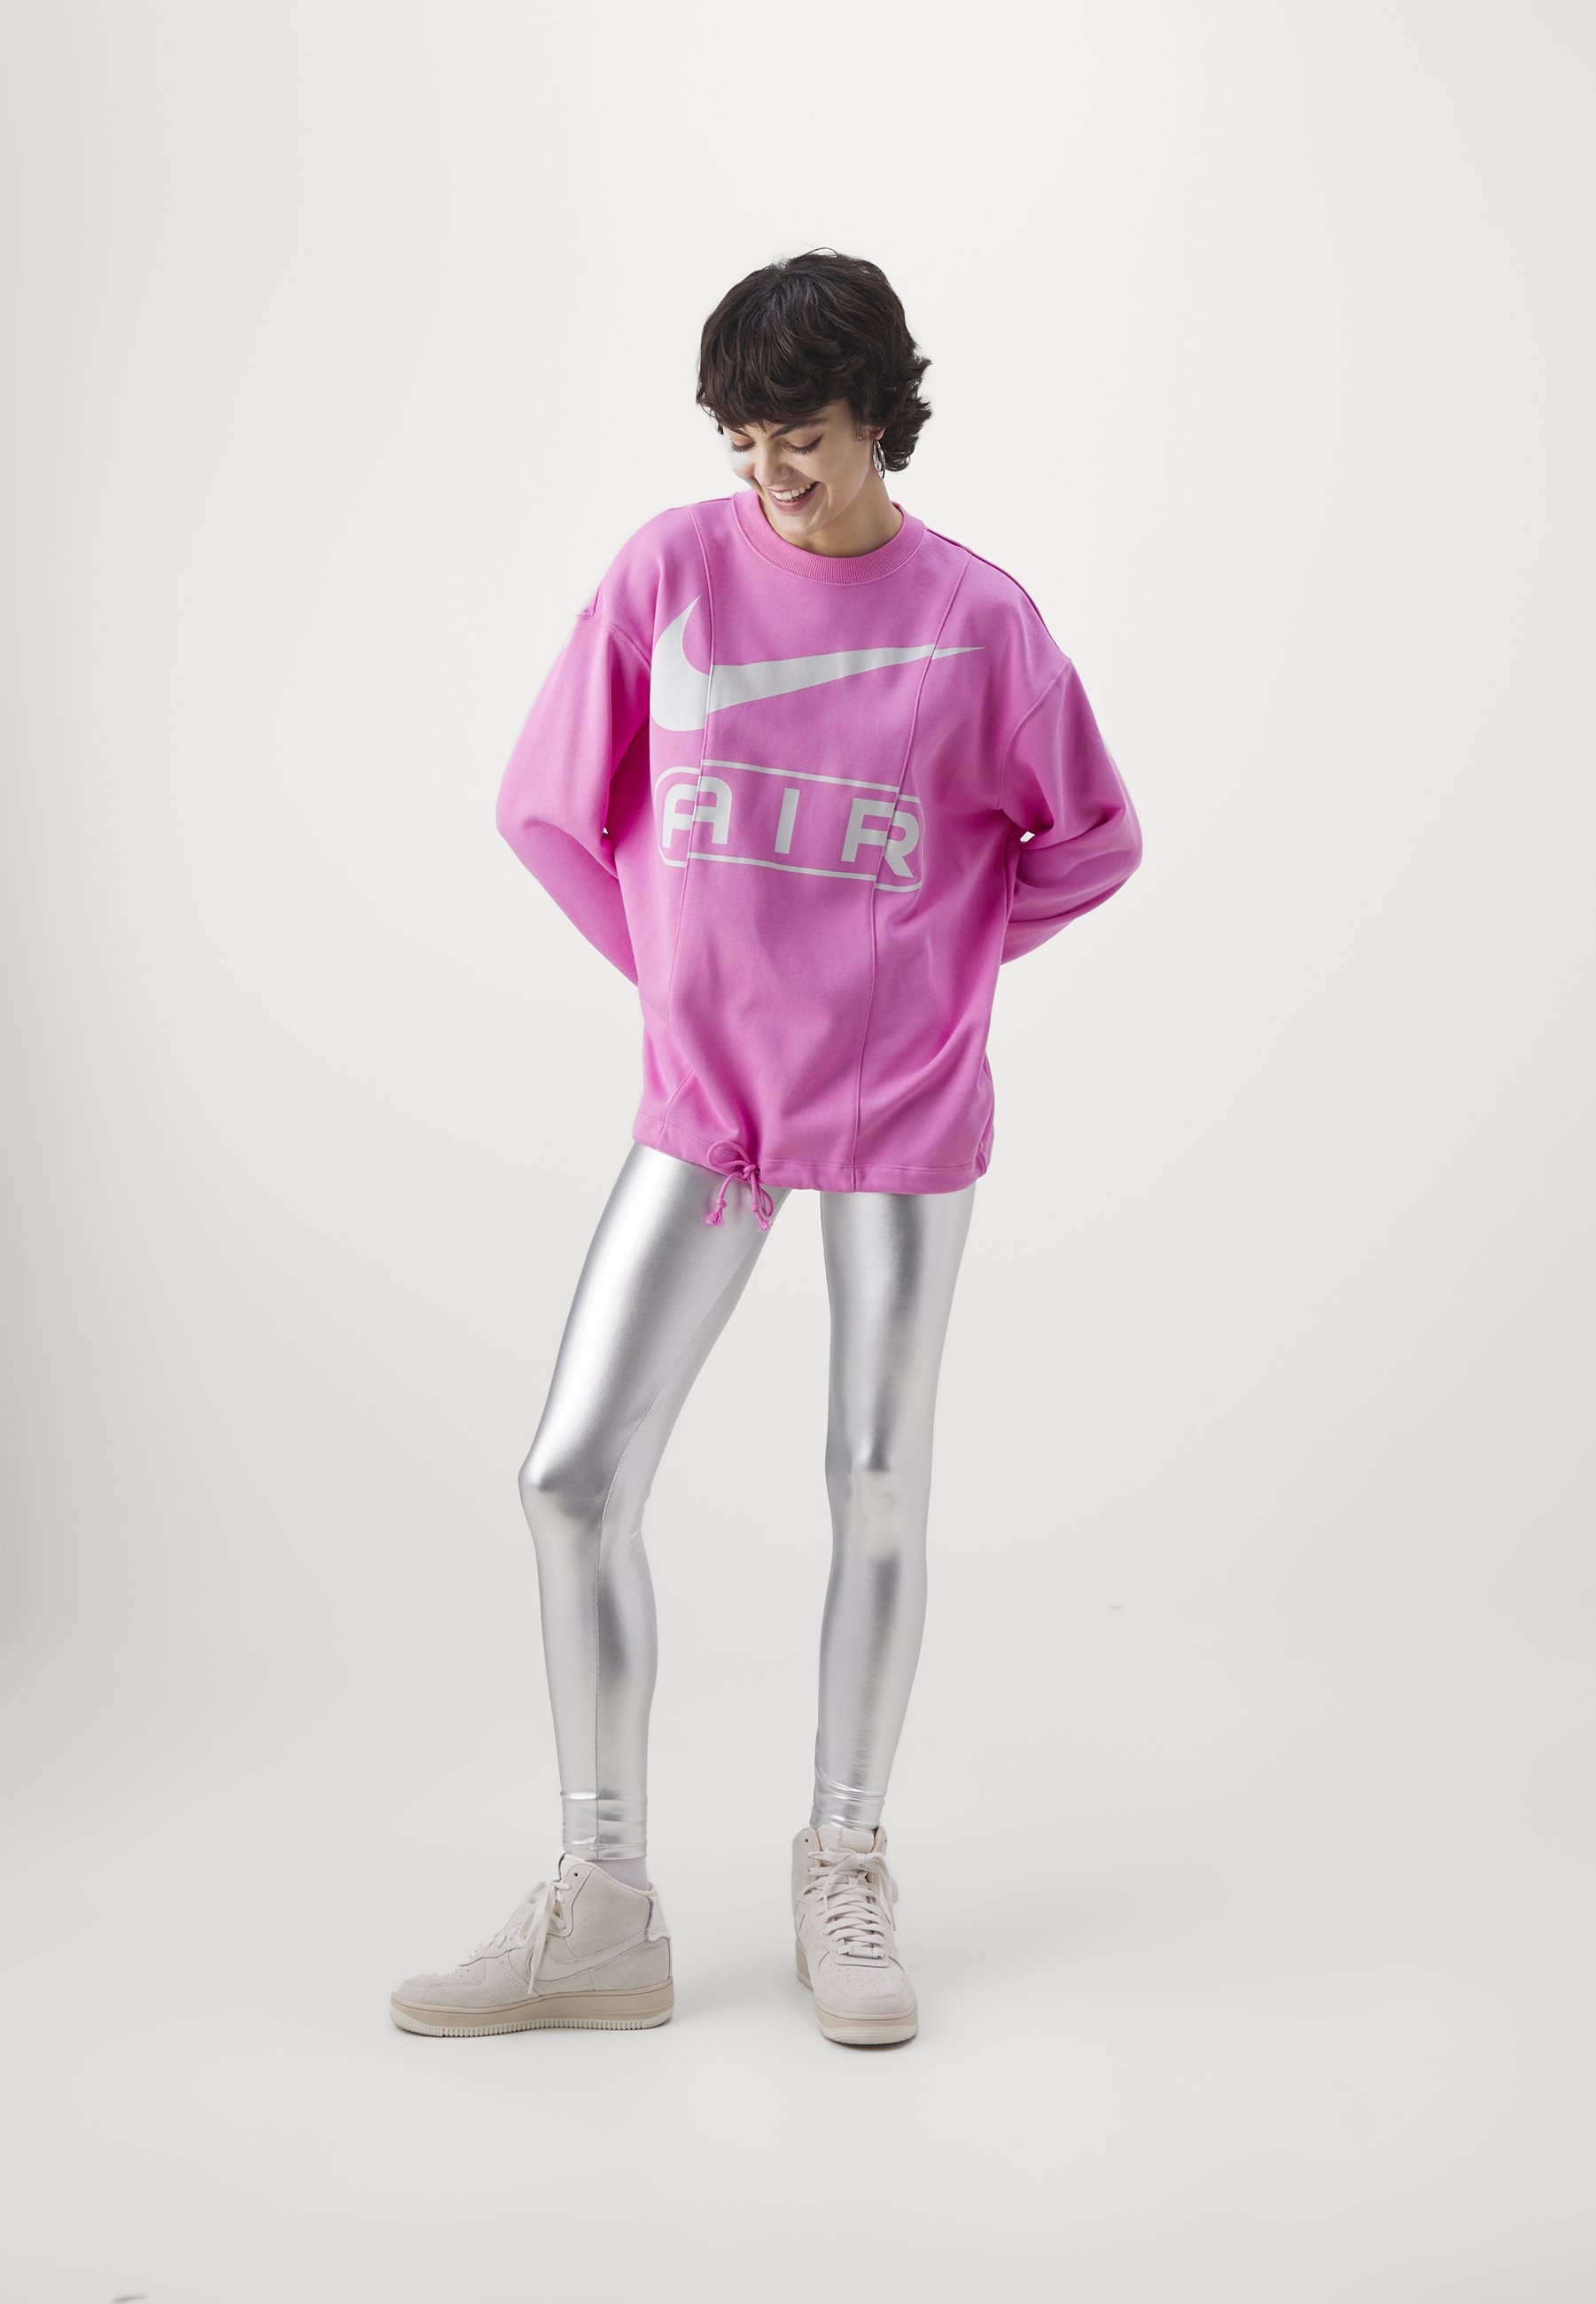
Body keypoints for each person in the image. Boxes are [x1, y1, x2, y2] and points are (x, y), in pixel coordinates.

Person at [389, 248, 1143, 2049]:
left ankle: (844, 1859)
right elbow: (547, 812)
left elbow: (1092, 839)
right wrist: (686, 998)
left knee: (874, 1475)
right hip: (712, 1111)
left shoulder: (975, 621)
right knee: (571, 1476)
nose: (766, 472)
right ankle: (602, 1903)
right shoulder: (670, 574)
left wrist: (935, 972)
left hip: (897, 1113)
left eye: (796, 434)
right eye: (739, 438)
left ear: (878, 415)